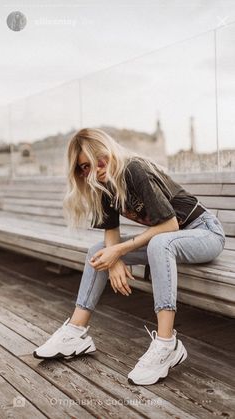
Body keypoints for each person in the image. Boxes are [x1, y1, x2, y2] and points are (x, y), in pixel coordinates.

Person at [33, 128, 225, 386]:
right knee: (96, 252)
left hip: (204, 233)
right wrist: (113, 262)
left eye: (100, 160)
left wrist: (119, 251)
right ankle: (75, 333)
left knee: (158, 243)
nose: (96, 170)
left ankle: (167, 345)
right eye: (85, 167)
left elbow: (169, 225)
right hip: (170, 241)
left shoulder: (134, 169)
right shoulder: (101, 185)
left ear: (110, 152)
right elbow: (111, 232)